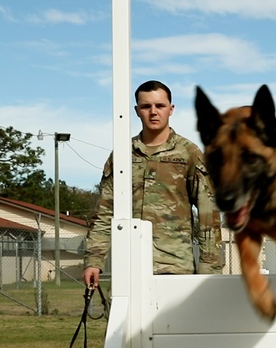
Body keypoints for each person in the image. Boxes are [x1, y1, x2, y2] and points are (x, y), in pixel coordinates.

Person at [82, 80, 223, 287]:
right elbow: (104, 211)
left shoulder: (188, 153)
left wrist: (209, 268)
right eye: (146, 106)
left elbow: (208, 214)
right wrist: (94, 261)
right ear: (137, 111)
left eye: (160, 106)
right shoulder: (123, 154)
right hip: (129, 267)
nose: (153, 112)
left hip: (175, 267)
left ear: (171, 109)